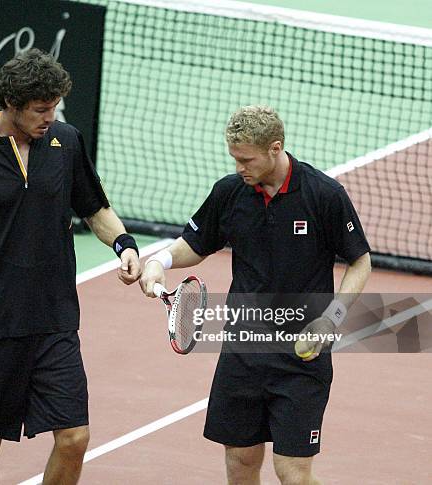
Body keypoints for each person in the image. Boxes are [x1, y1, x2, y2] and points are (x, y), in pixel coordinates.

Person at [0, 49, 141, 485]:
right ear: (10, 105)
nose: (50, 116)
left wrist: (124, 244)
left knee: (74, 438)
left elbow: (94, 208)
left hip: (54, 322)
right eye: (40, 109)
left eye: (54, 107)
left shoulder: (66, 142)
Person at [140, 105, 371, 484]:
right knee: (241, 462)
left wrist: (333, 319)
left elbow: (360, 261)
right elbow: (196, 243)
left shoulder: (323, 194)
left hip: (301, 358)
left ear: (275, 148)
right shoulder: (231, 192)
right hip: (242, 352)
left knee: (293, 473)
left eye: (246, 159)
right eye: (234, 158)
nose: (239, 168)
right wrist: (159, 261)